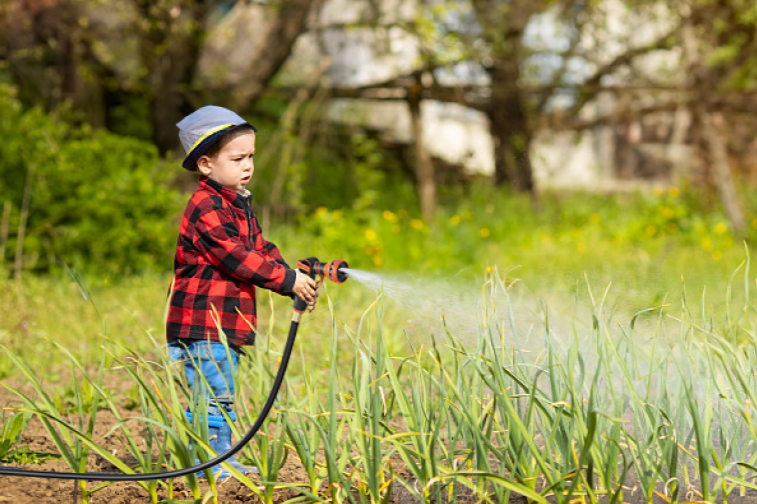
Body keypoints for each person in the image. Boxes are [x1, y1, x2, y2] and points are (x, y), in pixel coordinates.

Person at [166, 105, 317, 479]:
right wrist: (285, 281)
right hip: (203, 324)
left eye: (251, 156)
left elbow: (259, 248)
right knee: (213, 398)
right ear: (205, 164)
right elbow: (234, 256)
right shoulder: (205, 206)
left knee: (221, 396)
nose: (247, 165)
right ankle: (209, 467)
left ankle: (218, 462)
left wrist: (292, 274)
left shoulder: (238, 204)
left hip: (226, 325)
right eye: (237, 158)